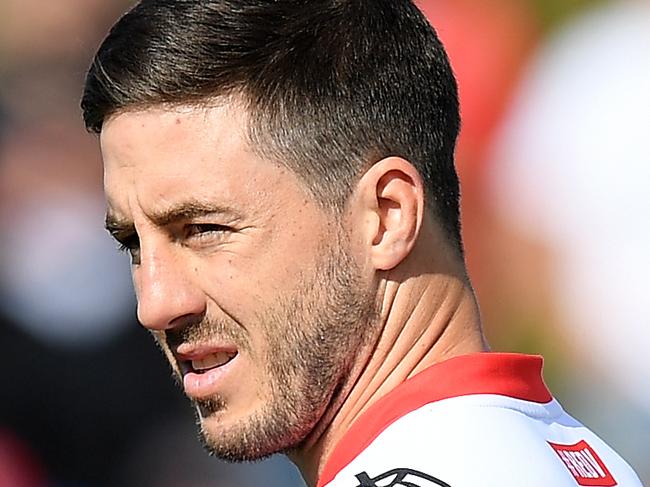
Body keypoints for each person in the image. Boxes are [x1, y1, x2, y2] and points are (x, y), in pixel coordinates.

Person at [81, 1, 644, 486]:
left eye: (204, 230)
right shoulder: (574, 455)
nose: (156, 303)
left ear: (386, 217)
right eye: (132, 242)